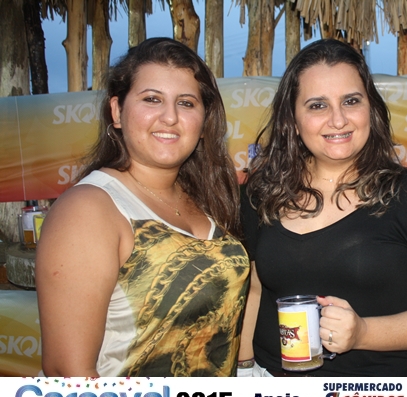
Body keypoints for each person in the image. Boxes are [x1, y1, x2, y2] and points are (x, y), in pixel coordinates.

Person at [239, 38, 407, 377]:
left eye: (351, 101)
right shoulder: (261, 192)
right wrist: (243, 369)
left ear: (370, 108)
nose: (338, 119)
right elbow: (254, 289)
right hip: (275, 391)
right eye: (317, 105)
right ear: (293, 120)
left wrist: (363, 333)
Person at [35, 37, 250, 377]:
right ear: (117, 111)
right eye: (152, 99)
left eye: (186, 103)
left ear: (204, 120)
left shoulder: (207, 199)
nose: (170, 117)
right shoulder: (89, 208)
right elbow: (68, 374)